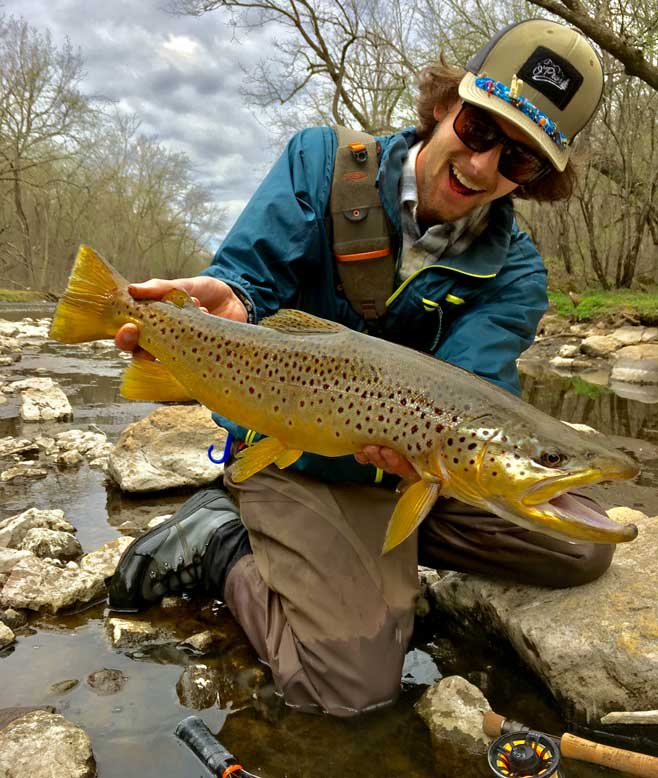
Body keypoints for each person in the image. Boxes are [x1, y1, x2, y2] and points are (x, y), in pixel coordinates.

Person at [109, 19, 611, 716]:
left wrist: (445, 463)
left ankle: (377, 561)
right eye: (479, 128)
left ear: (535, 181)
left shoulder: (516, 269)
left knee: (582, 544)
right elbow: (248, 276)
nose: (483, 166)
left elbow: (477, 396)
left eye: (520, 160)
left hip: (418, 466)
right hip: (298, 458)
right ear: (444, 105)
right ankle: (221, 542)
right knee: (348, 689)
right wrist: (232, 302)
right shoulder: (322, 162)